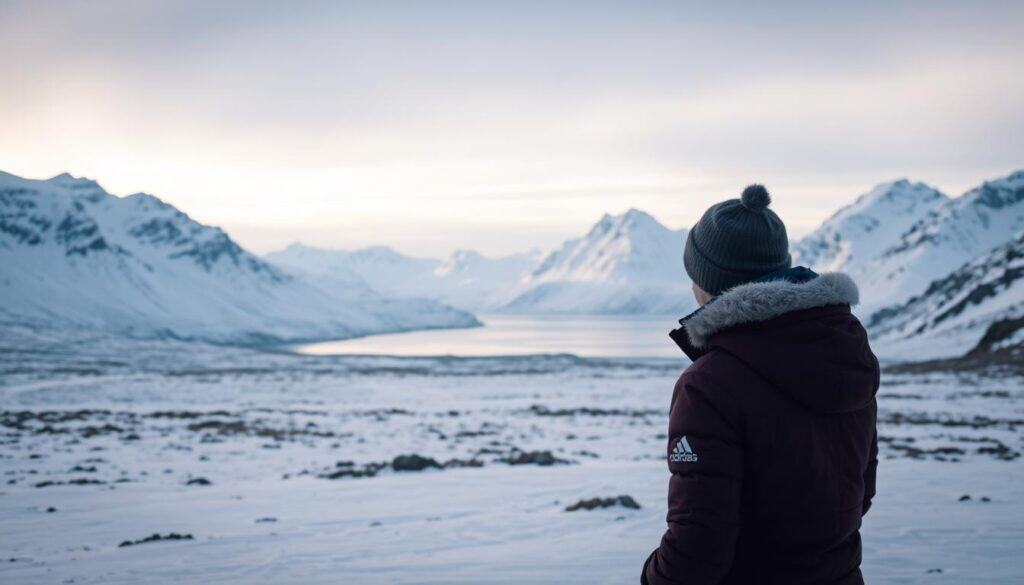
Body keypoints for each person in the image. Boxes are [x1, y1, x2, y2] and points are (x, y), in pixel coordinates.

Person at [643, 185, 879, 585]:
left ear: (709, 281)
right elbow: (860, 496)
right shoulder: (844, 350)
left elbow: (698, 545)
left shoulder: (709, 384)